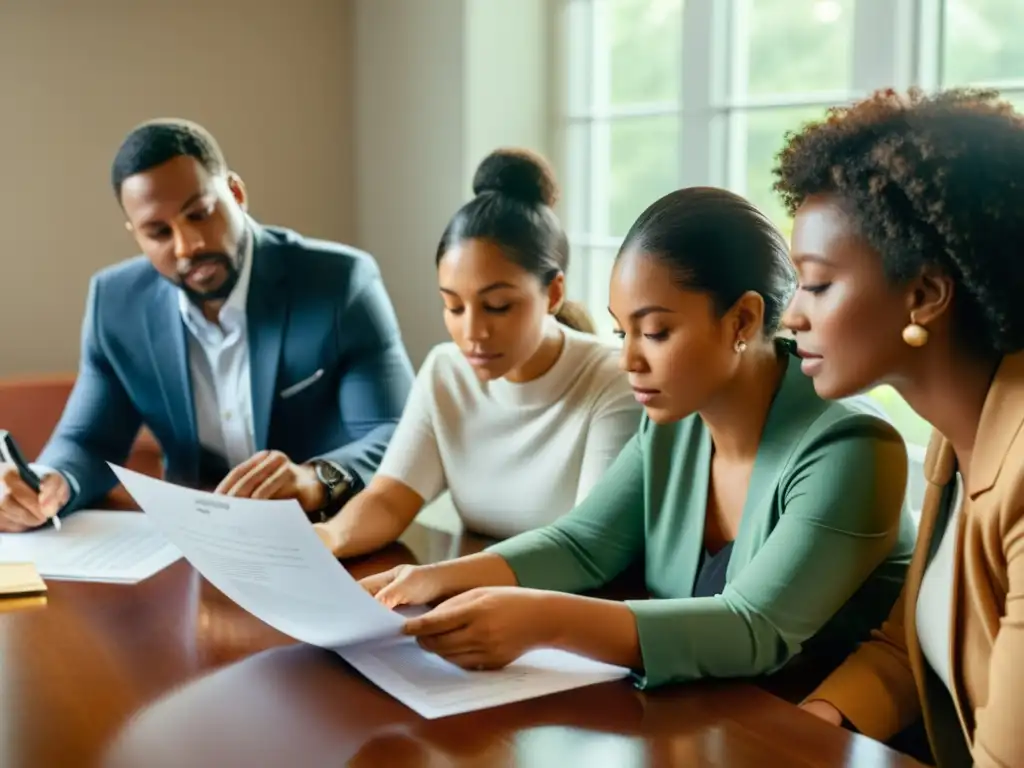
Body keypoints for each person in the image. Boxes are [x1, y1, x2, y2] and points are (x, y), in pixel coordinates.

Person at [357, 186, 917, 688]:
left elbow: (753, 629)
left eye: (655, 332)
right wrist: (431, 578)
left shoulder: (851, 446)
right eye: (623, 331)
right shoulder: (675, 423)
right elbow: (582, 543)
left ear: (743, 321)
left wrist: (543, 619)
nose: (628, 360)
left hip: (825, 739)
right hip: (715, 719)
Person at [0, 118, 414, 532]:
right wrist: (50, 482)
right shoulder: (116, 304)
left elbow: (394, 433)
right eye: (158, 232)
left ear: (235, 193)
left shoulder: (340, 284)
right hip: (194, 545)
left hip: (326, 536)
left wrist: (313, 479)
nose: (188, 246)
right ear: (136, 235)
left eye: (199, 214)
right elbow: (88, 442)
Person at [777, 87, 1024, 768]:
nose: (791, 316)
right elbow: (907, 643)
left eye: (817, 285)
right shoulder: (960, 432)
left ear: (924, 295)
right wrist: (806, 730)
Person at [315, 149, 640, 557]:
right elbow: (388, 500)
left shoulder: (611, 381)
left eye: (498, 306)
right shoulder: (446, 371)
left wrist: (441, 579)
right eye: (453, 306)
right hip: (481, 596)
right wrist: (318, 545)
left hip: (568, 606)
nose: (472, 333)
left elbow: (587, 547)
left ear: (554, 292)